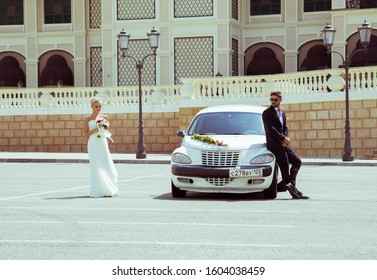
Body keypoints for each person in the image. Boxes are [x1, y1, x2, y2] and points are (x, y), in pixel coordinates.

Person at [262, 91, 309, 199]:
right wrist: (283, 138)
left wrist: (285, 139)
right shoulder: (267, 113)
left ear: (280, 100)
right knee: (284, 168)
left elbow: (285, 128)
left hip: (283, 144)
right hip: (275, 145)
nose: (273, 101)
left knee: (297, 161)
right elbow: (270, 129)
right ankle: (294, 191)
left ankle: (289, 185)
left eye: (275, 100)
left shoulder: (282, 112)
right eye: (271, 99)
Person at [84, 97, 118, 198]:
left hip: (102, 142)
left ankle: (107, 188)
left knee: (104, 163)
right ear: (91, 107)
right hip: (93, 143)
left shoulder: (104, 117)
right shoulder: (87, 119)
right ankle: (98, 190)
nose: (98, 108)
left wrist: (104, 126)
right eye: (96, 106)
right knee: (96, 166)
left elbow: (106, 130)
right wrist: (96, 129)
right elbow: (86, 133)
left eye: (99, 106)